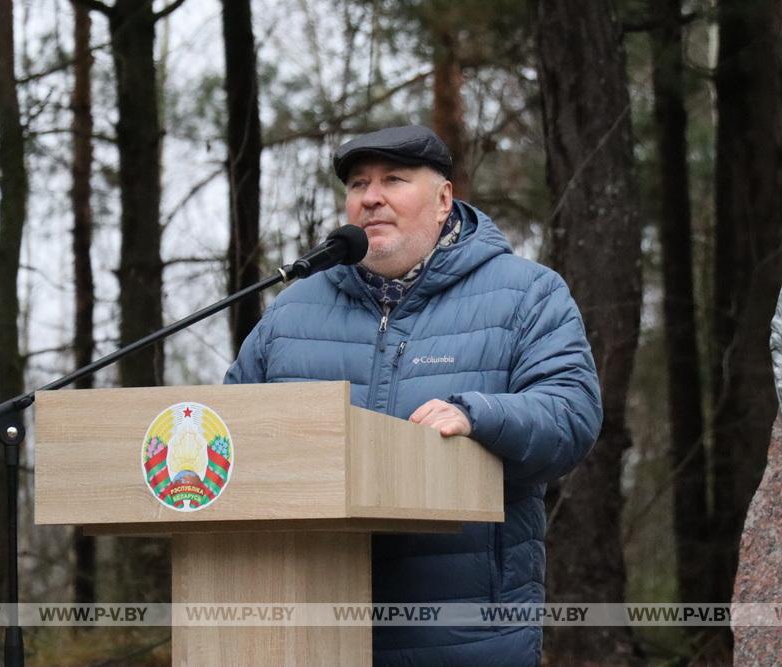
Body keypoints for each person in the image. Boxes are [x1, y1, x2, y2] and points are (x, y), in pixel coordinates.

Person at [226, 125, 601, 666]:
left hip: (465, 634)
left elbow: (571, 414)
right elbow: (229, 433)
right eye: (358, 184)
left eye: (393, 180)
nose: (370, 197)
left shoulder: (528, 294)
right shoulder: (291, 311)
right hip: (309, 630)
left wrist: (479, 416)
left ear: (444, 198)